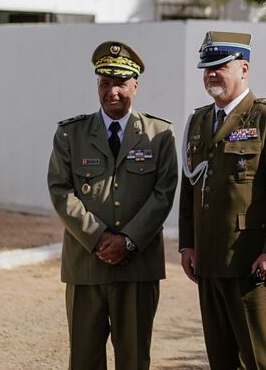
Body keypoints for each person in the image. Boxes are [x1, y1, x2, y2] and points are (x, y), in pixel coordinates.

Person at [179, 31, 266, 370]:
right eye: (207, 68)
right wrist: (187, 245)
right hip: (207, 262)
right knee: (220, 360)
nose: (212, 74)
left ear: (244, 68)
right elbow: (189, 188)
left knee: (260, 360)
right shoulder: (198, 121)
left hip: (250, 263)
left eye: (221, 66)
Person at [48, 41, 178, 370]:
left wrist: (128, 240)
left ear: (135, 84)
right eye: (105, 83)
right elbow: (60, 190)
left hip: (138, 268)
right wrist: (97, 238)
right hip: (86, 266)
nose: (112, 92)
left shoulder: (160, 135)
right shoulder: (70, 134)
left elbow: (163, 194)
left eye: (120, 82)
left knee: (134, 359)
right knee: (84, 360)